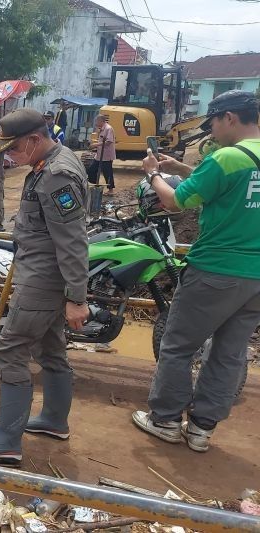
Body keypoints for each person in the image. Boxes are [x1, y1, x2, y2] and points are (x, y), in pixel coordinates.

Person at [131, 90, 260, 453]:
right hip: (256, 277)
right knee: (230, 353)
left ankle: (166, 420)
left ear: (230, 118)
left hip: (216, 269)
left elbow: (174, 200)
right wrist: (183, 169)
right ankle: (202, 429)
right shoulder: (236, 160)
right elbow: (225, 188)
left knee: (178, 346)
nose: (212, 132)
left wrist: (155, 173)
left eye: (214, 123)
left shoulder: (225, 157)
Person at [0, 108, 89, 464]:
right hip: (41, 272)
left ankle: (5, 441)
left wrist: (77, 298)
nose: (10, 157)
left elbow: (73, 240)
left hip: (44, 279)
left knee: (11, 349)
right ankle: (53, 420)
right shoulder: (50, 162)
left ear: (34, 139)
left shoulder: (57, 175)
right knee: (50, 349)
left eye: (13, 149)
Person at [88, 115, 116, 195]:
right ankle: (94, 185)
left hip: (107, 155)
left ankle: (111, 190)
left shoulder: (108, 129)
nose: (96, 123)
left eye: (97, 121)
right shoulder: (101, 129)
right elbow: (101, 140)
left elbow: (109, 141)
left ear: (101, 121)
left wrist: (96, 145)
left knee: (108, 173)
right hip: (99, 155)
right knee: (91, 170)